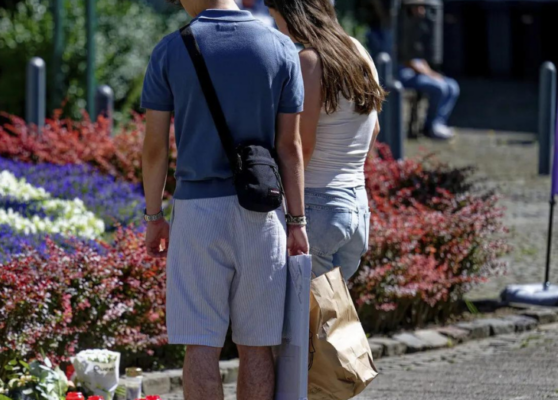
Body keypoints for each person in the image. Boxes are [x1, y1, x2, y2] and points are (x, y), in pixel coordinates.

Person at [141, 0, 309, 399]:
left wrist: (153, 215)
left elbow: (154, 148)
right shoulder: (280, 47)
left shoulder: (171, 49)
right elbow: (290, 147)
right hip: (262, 211)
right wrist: (298, 223)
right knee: (256, 345)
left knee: (201, 343)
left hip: (197, 212)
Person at [266, 0, 385, 280]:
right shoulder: (358, 50)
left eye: (277, 19)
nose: (279, 28)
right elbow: (375, 128)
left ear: (294, 15)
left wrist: (288, 210)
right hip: (356, 205)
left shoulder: (309, 61)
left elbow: (300, 146)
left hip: (318, 206)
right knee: (334, 315)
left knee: (307, 318)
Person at [398, 3, 459, 140]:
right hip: (404, 74)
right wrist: (431, 75)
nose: (422, 11)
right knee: (440, 87)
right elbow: (408, 61)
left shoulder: (418, 26)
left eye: (422, 7)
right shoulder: (402, 28)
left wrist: (432, 73)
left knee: (452, 85)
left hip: (419, 71)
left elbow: (420, 58)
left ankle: (439, 122)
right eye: (417, 7)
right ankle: (430, 126)